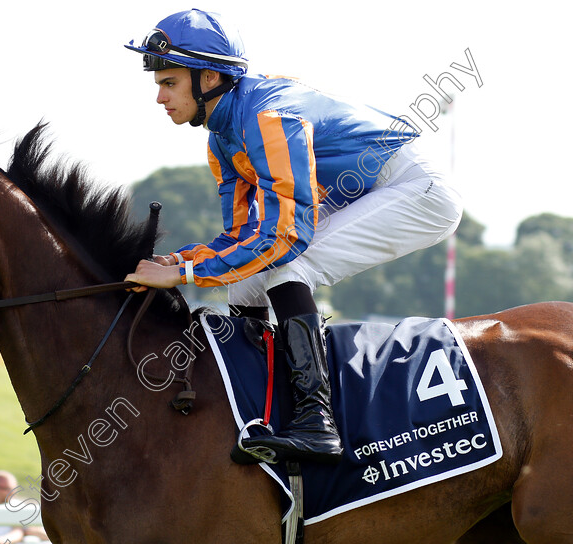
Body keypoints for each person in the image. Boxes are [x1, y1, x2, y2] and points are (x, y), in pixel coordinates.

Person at [124, 9, 463, 464]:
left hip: (416, 188)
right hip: (368, 188)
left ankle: (315, 422)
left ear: (208, 78)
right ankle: (263, 404)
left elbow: (282, 239)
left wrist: (187, 273)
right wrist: (181, 261)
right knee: (244, 280)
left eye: (169, 83)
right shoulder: (222, 137)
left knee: (287, 263)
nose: (160, 98)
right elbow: (245, 235)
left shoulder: (266, 117)